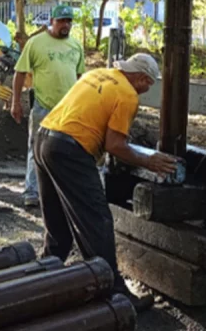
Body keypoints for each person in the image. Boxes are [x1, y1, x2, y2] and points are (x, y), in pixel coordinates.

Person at [35, 53, 177, 312]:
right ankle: (113, 292)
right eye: (149, 84)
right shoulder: (127, 95)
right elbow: (115, 145)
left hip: (43, 139)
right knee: (97, 220)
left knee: (57, 221)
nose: (146, 90)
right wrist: (149, 162)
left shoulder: (96, 74)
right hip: (70, 151)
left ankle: (42, 275)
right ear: (141, 78)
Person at [11, 5, 86, 207]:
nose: (66, 25)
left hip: (68, 109)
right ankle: (32, 192)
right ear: (51, 21)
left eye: (69, 21)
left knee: (67, 149)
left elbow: (80, 78)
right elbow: (19, 73)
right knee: (35, 147)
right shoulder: (36, 44)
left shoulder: (76, 46)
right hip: (43, 106)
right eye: (62, 20)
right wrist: (16, 101)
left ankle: (61, 192)